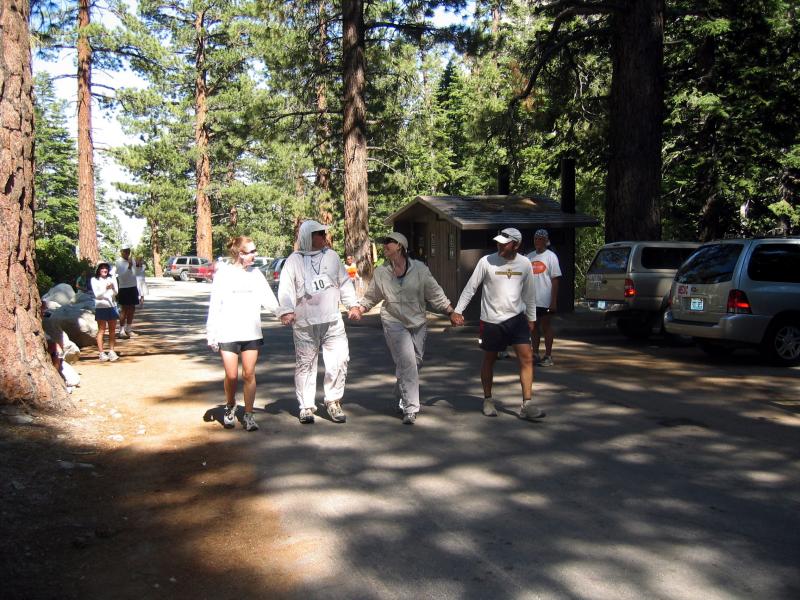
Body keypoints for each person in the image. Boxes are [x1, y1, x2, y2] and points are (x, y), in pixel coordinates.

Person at [348, 232, 455, 425]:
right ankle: (410, 408)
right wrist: (360, 308)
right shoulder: (381, 272)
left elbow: (435, 292)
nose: (385, 245)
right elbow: (372, 296)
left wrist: (450, 311)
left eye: (389, 242)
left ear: (400, 246)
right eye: (384, 242)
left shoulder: (420, 269)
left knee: (416, 362)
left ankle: (401, 391)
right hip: (393, 321)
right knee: (407, 363)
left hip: (418, 321)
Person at [450, 227, 545, 420]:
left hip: (517, 319)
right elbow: (471, 287)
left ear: (516, 245)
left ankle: (527, 404)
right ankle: (488, 399)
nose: (499, 245)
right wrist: (458, 311)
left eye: (504, 242)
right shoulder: (486, 261)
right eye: (499, 242)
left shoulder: (525, 263)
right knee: (489, 359)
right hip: (491, 320)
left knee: (526, 358)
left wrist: (532, 318)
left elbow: (529, 294)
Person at [277, 220, 358, 424]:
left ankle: (333, 401)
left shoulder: (331, 256)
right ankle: (306, 406)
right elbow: (286, 287)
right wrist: (286, 310)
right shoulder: (294, 260)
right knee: (305, 364)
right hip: (305, 323)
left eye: (324, 233)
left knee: (340, 360)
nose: (324, 237)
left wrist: (353, 305)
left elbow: (344, 282)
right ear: (307, 237)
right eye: (319, 233)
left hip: (332, 321)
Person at [206, 236, 279, 432]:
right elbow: (215, 305)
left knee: (249, 374)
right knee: (231, 376)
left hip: (251, 332)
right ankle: (230, 406)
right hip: (228, 332)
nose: (255, 255)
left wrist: (283, 313)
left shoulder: (256, 274)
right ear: (240, 254)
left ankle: (249, 414)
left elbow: (268, 298)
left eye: (255, 251)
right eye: (251, 252)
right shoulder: (224, 274)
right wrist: (211, 333)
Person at [527, 229, 562, 367]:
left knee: (546, 326)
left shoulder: (551, 256)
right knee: (533, 327)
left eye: (541, 239)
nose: (538, 241)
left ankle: (548, 356)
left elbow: (555, 280)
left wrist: (553, 301)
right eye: (536, 238)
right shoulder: (529, 257)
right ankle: (534, 354)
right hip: (531, 299)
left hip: (545, 299)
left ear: (546, 241)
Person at [91, 262, 120, 362]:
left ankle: (111, 351)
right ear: (98, 269)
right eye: (102, 268)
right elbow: (97, 295)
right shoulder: (94, 280)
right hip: (101, 307)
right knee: (101, 330)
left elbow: (116, 292)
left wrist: (113, 287)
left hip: (112, 306)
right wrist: (106, 288)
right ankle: (101, 353)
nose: (104, 270)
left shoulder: (111, 278)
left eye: (106, 268)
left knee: (112, 330)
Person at [114, 248, 144, 338]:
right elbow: (122, 276)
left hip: (133, 286)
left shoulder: (133, 260)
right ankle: (121, 330)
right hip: (124, 287)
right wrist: (130, 266)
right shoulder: (119, 262)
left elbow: (137, 274)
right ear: (121, 252)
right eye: (125, 251)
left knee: (132, 308)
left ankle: (129, 328)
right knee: (124, 310)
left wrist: (139, 265)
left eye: (128, 251)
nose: (127, 253)